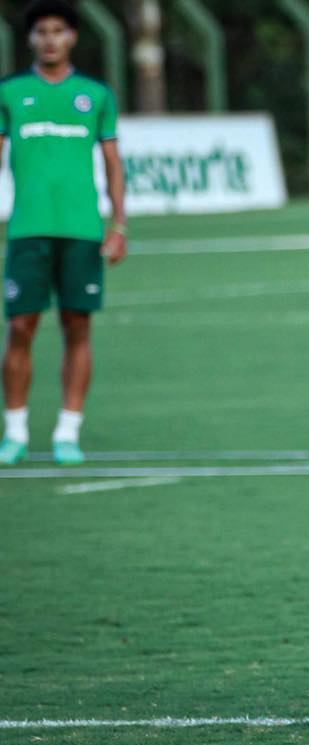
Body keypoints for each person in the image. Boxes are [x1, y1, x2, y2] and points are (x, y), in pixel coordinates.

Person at [1, 0, 127, 467]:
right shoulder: (11, 93)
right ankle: (13, 431)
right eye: (41, 31)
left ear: (73, 37)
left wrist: (118, 225)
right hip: (27, 231)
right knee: (20, 328)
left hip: (81, 231)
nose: (50, 39)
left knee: (78, 326)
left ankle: (68, 430)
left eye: (58, 30)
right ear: (30, 39)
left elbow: (113, 162)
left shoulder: (94, 95)